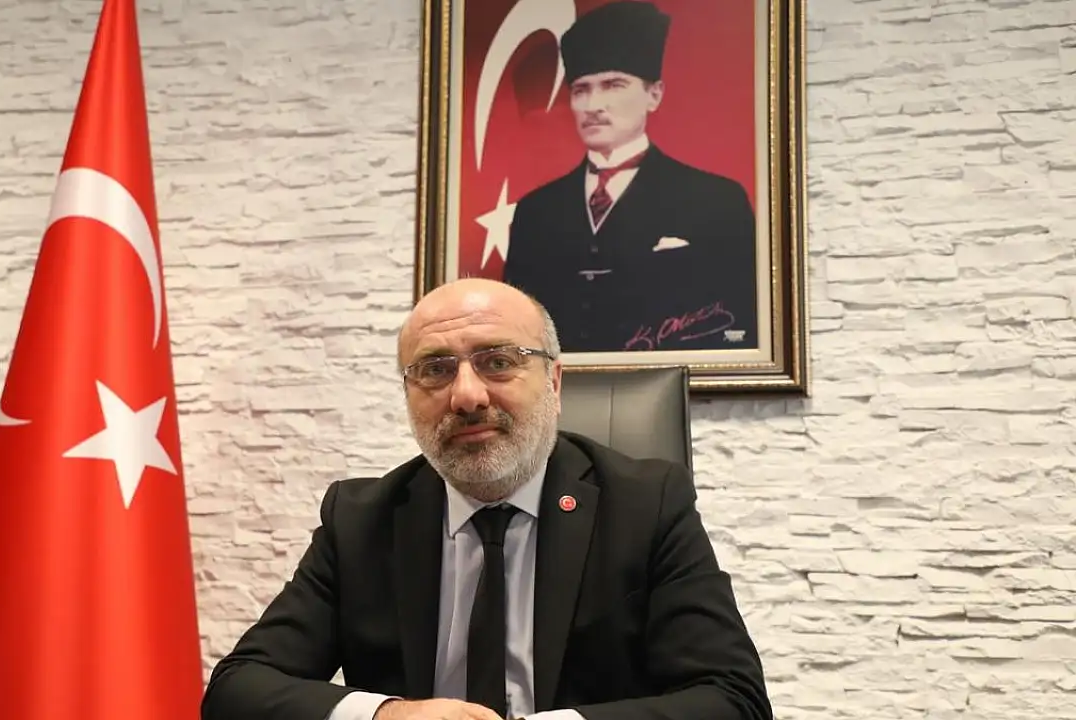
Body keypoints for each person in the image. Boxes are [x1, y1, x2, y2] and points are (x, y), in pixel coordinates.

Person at [202, 278, 772, 720]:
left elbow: (732, 699)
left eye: (498, 362)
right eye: (435, 370)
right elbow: (237, 688)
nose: (467, 396)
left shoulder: (646, 505)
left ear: (554, 383)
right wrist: (387, 714)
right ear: (408, 394)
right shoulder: (360, 520)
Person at [501, 0, 758, 355]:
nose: (593, 105)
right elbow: (516, 334)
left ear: (654, 95)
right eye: (581, 89)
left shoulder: (717, 199)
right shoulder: (535, 211)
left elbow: (742, 323)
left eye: (613, 85)